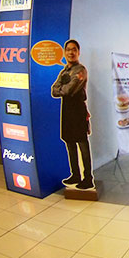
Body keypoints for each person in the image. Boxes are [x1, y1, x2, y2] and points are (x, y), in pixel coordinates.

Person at [51, 39, 94, 190]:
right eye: (68, 49)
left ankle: (88, 178)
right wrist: (62, 87)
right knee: (69, 142)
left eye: (74, 49)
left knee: (82, 143)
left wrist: (62, 87)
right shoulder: (64, 71)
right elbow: (54, 90)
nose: (71, 52)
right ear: (64, 52)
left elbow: (69, 90)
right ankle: (75, 174)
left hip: (78, 110)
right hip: (67, 109)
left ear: (78, 52)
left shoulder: (80, 70)